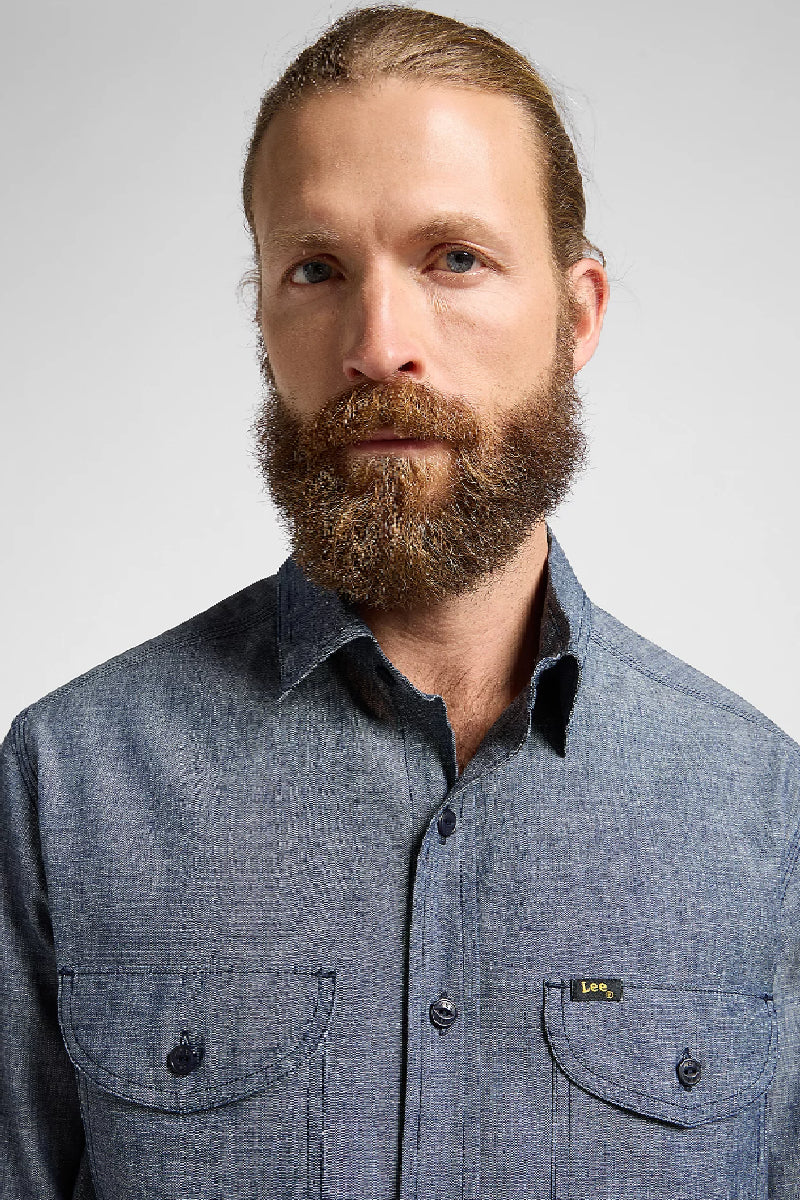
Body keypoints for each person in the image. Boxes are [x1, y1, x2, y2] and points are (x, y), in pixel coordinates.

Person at [1, 5, 797, 1197]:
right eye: (316, 270)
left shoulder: (760, 811)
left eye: (453, 258)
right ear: (264, 323)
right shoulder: (66, 784)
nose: (378, 345)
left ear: (576, 315)